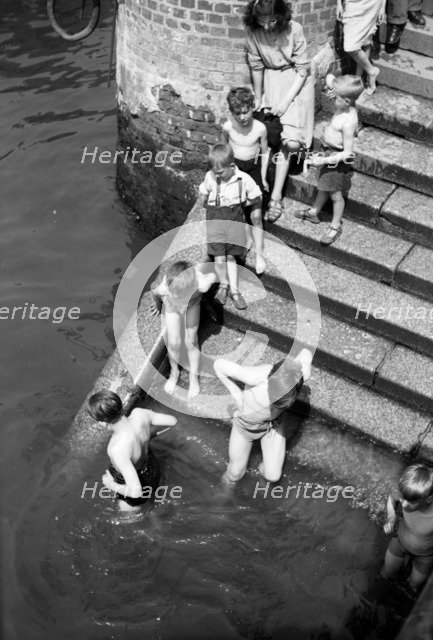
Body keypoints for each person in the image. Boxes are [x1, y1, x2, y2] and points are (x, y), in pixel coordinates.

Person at [244, 0, 314, 223]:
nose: (266, 25)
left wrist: (285, 102)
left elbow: (303, 70)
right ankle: (275, 197)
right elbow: (256, 66)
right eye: (262, 20)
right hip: (272, 80)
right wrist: (257, 97)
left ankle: (276, 193)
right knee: (272, 135)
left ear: (281, 16)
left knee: (292, 143)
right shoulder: (254, 33)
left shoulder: (295, 30)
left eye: (271, 20)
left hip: (296, 82)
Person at [214, 348, 313, 484]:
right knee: (234, 475)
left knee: (272, 477)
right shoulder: (256, 376)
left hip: (272, 425)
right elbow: (218, 364)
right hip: (245, 425)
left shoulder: (298, 376)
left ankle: (261, 465)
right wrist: (234, 391)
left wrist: (295, 366)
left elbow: (306, 352)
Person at [295, 74, 363, 245]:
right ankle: (314, 212)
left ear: (347, 101)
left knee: (335, 194)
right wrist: (334, 87)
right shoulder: (344, 106)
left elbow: (348, 153)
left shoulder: (349, 121)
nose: (332, 98)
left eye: (336, 97)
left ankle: (335, 225)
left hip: (335, 158)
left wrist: (324, 161)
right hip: (328, 152)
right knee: (324, 186)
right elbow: (331, 78)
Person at [86, 390, 177, 512]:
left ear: (102, 422)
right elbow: (172, 421)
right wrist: (149, 435)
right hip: (153, 469)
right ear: (120, 404)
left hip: (135, 484)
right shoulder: (140, 414)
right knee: (152, 502)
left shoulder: (117, 448)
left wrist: (111, 485)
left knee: (130, 516)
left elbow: (135, 491)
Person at [198, 143, 262, 310]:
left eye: (220, 172)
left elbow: (256, 196)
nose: (216, 175)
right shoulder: (210, 177)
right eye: (214, 172)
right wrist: (207, 204)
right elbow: (203, 193)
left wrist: (241, 205)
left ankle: (234, 290)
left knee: (232, 257)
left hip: (234, 222)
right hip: (215, 223)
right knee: (219, 260)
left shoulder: (243, 179)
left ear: (232, 166)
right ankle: (223, 285)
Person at [151, 260, 217, 399]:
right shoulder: (165, 288)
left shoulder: (201, 284)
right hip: (172, 307)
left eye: (180, 296)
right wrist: (158, 307)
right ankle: (174, 372)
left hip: (192, 305)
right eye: (173, 293)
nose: (177, 296)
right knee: (173, 342)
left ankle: (194, 377)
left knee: (191, 341)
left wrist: (206, 276)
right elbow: (155, 294)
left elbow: (214, 274)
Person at [222, 87, 270, 275]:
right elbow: (223, 151)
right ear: (232, 112)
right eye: (238, 113)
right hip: (236, 170)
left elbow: (265, 152)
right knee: (240, 211)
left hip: (254, 169)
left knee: (256, 216)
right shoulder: (227, 128)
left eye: (246, 111)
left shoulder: (260, 128)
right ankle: (246, 240)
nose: (242, 117)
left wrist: (264, 177)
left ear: (252, 107)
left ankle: (259, 254)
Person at [382, 463, 433, 591]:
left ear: (428, 499)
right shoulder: (407, 491)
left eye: (412, 502)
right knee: (386, 575)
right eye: (402, 498)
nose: (404, 505)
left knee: (413, 587)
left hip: (425, 556)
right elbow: (392, 498)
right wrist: (391, 516)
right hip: (400, 542)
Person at [336, 0, 385, 95]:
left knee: (366, 41)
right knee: (350, 47)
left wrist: (382, 6)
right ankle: (372, 71)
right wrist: (339, 4)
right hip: (352, 3)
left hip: (372, 4)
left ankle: (358, 80)